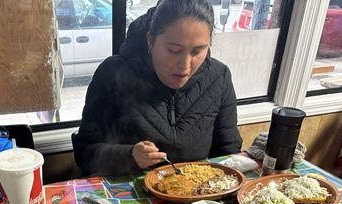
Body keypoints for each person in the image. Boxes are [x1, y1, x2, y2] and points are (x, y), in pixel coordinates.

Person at [72, 0, 242, 176]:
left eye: (197, 51)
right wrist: (130, 156)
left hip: (198, 194)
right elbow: (84, 152)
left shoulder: (218, 76)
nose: (185, 64)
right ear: (150, 40)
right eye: (173, 50)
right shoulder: (113, 74)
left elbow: (229, 151)